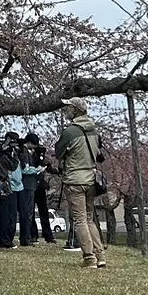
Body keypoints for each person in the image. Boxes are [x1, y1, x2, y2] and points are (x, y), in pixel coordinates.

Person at [55, 101, 107, 269]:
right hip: (91, 178)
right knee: (89, 218)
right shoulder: (93, 129)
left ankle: (89, 258)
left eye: (68, 108)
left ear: (76, 110)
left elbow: (58, 152)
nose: (65, 110)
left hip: (75, 178)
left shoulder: (70, 131)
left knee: (80, 220)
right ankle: (100, 256)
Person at [24, 133, 57, 244]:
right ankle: (34, 234)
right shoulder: (29, 156)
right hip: (32, 186)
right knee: (31, 212)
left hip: (40, 187)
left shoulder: (43, 159)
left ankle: (48, 234)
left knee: (44, 212)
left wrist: (58, 171)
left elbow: (49, 168)